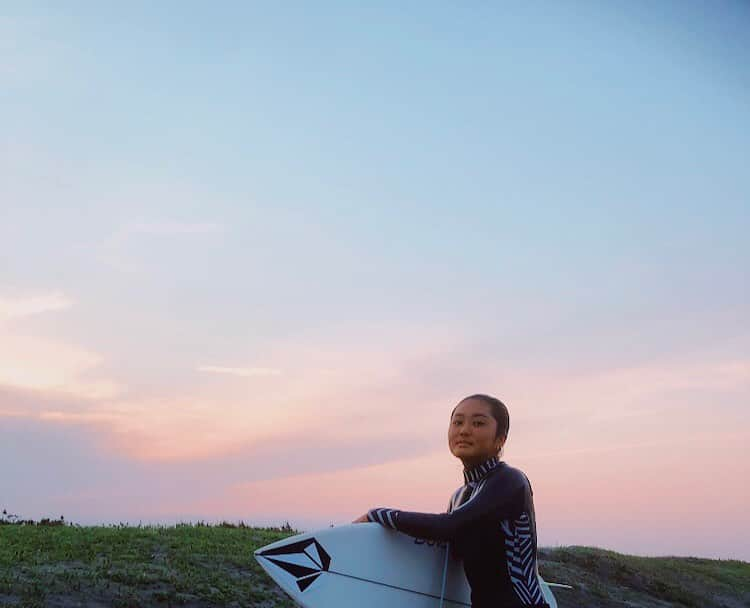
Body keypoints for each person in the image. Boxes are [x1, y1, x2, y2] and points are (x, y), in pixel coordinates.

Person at [353, 394, 550, 608]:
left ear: (500, 439)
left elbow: (449, 526)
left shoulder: (510, 481)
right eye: (457, 422)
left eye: (478, 423)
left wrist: (379, 515)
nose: (464, 430)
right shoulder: (459, 496)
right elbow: (448, 545)